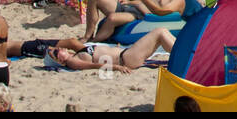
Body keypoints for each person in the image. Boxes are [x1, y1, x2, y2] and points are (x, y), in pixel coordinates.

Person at [43, 27, 177, 73]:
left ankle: (184, 53)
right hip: (127, 58)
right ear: (59, 61)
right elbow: (93, 66)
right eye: (55, 52)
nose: (58, 48)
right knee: (160, 32)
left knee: (161, 34)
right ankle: (185, 54)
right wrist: (116, 68)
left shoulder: (76, 55)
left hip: (126, 53)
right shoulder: (73, 61)